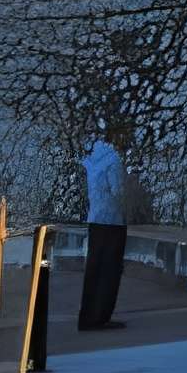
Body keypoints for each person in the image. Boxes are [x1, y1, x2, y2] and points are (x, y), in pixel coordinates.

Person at [77, 131, 129, 332]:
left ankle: (87, 317)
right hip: (112, 221)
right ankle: (101, 317)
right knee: (109, 271)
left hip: (95, 218)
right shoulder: (113, 160)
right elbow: (118, 191)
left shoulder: (91, 159)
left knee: (94, 270)